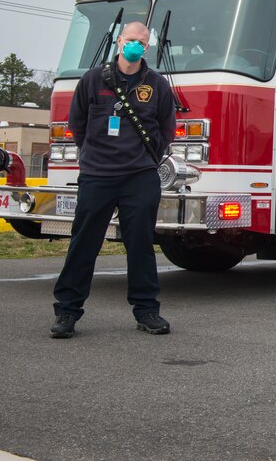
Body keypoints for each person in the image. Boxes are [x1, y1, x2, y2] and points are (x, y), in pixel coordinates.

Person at [50, 21, 177, 338]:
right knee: (84, 244)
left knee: (141, 246)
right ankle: (67, 312)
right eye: (132, 39)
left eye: (142, 42)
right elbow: (77, 123)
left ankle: (147, 312)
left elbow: (166, 129)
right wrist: (93, 155)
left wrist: (146, 159)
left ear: (147, 47)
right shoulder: (93, 80)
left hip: (140, 177)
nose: (136, 45)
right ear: (120, 41)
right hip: (97, 175)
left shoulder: (157, 85)